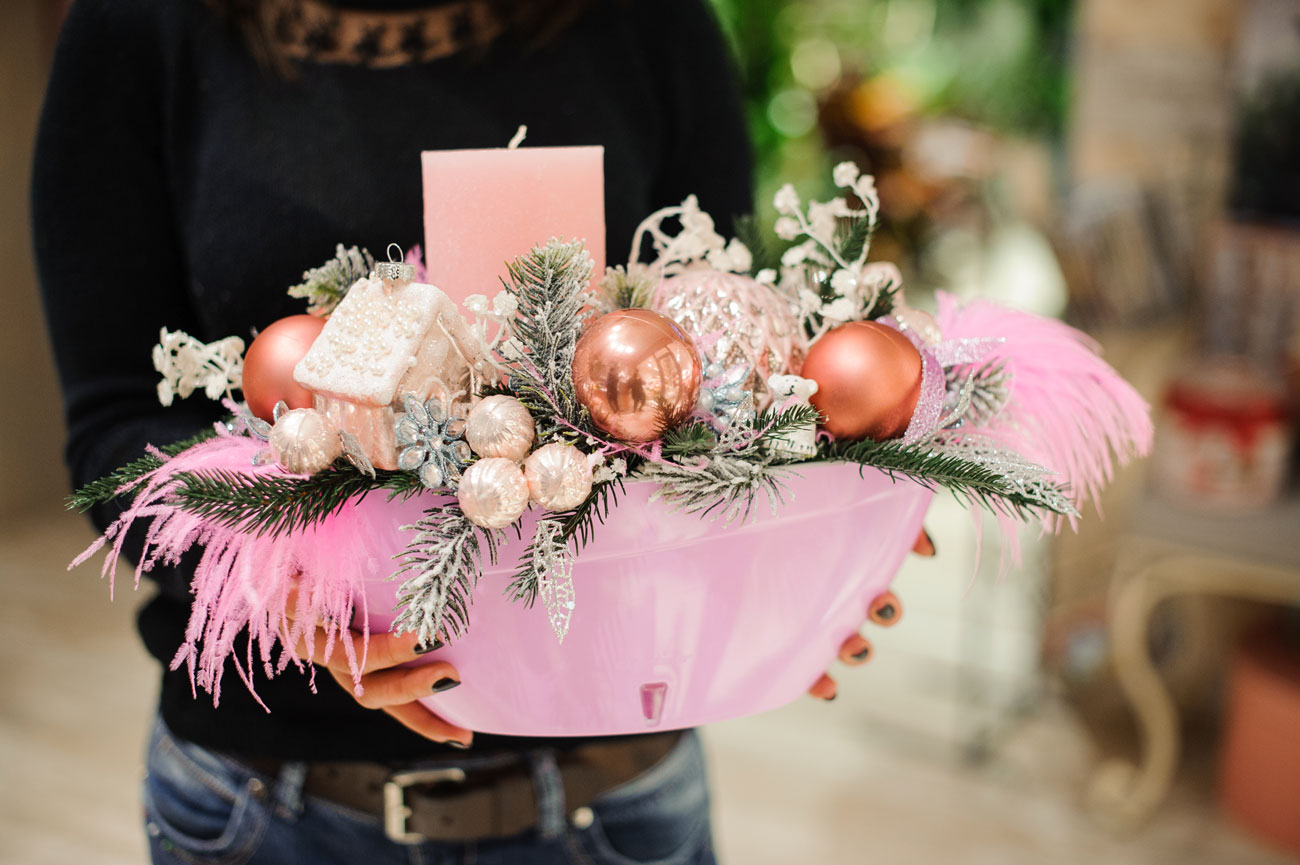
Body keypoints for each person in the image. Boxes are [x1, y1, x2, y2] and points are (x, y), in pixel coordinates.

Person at [33, 1, 916, 862]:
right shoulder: (140, 28)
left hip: (614, 795)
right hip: (270, 802)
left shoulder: (648, 21)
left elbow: (731, 370)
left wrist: (803, 548)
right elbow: (117, 429)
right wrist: (280, 586)